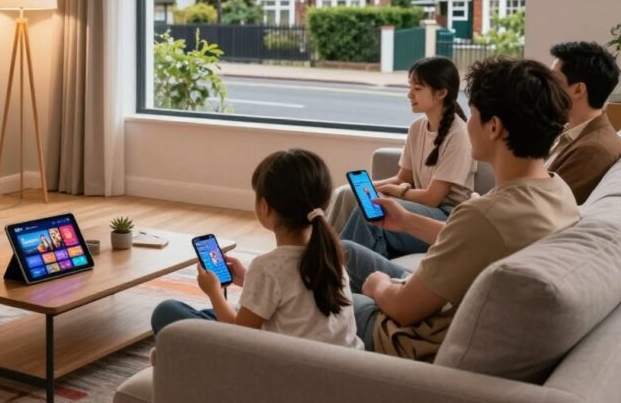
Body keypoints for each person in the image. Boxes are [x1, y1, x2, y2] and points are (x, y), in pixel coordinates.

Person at [347, 57, 578, 361]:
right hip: (441, 299)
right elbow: (481, 239)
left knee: (308, 295)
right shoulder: (556, 190)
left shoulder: (485, 214)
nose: (467, 121)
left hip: (408, 335)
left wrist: (378, 286)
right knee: (342, 251)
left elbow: (402, 308)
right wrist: (407, 222)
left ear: (494, 127)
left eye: (474, 113)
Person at [151, 149, 362, 350]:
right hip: (339, 363)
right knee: (213, 314)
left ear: (265, 207)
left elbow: (239, 337)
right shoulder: (329, 254)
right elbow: (297, 300)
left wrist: (214, 292)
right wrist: (247, 281)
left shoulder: (267, 267)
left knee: (167, 312)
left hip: (275, 367)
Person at [337, 57, 476, 258]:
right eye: (410, 87)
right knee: (347, 194)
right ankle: (322, 256)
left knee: (369, 211)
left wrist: (391, 190)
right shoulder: (417, 127)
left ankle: (335, 270)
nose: (409, 94)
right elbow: (403, 178)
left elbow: (432, 198)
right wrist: (369, 186)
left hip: (445, 216)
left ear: (441, 93)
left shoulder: (458, 135)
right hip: (422, 206)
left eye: (417, 89)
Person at [547, 42, 621, 204]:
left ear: (578, 90)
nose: (546, 87)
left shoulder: (594, 150)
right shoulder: (570, 132)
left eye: (554, 80)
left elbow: (547, 207)